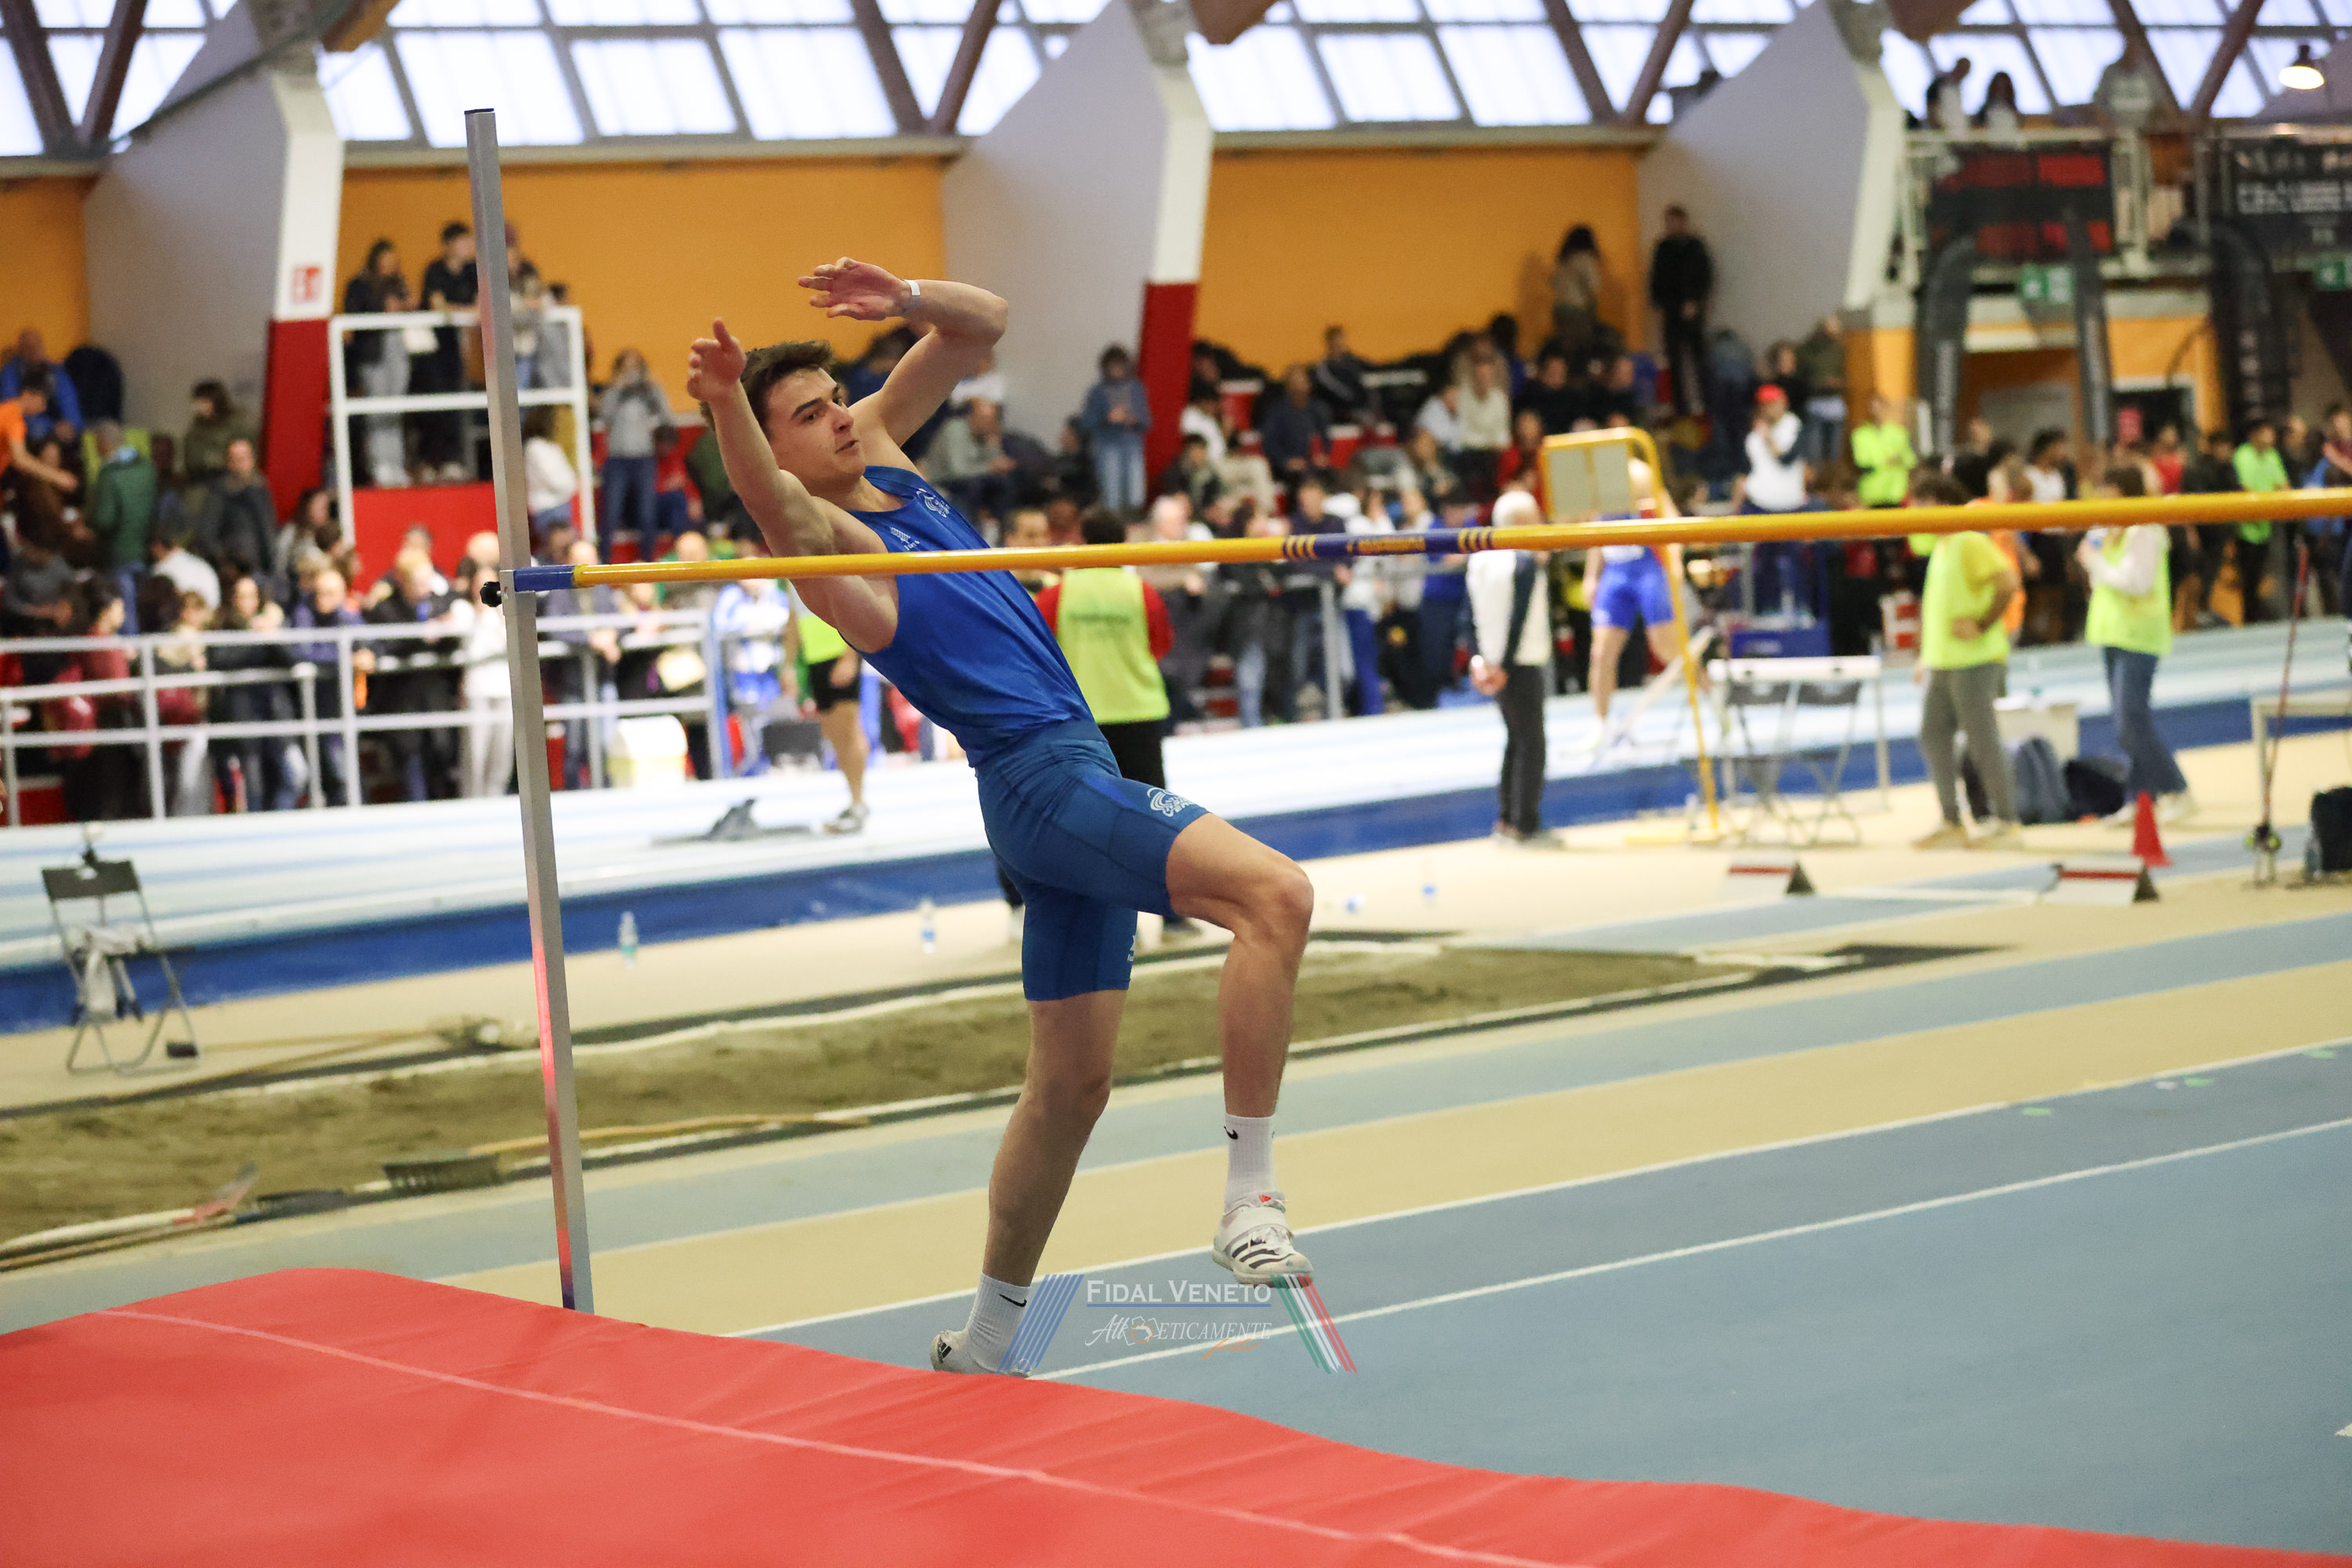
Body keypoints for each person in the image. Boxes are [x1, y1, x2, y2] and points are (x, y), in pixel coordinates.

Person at [685, 258, 1316, 1377]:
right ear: (774, 448)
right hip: (1041, 781)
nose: (839, 418)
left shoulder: (883, 446)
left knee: (1070, 1088)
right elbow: (768, 498)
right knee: (1277, 896)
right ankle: (1248, 1198)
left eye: (836, 399)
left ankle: (986, 1339)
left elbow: (986, 326)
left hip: (1062, 781)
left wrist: (904, 298)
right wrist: (731, 399)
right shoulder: (833, 553)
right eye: (810, 415)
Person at [1033, 510, 1200, 936]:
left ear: (1081, 540)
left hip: (1083, 722)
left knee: (1090, 823)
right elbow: (1160, 644)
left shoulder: (1058, 594)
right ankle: (1172, 917)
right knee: (1155, 819)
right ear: (1123, 541)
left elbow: (1041, 649)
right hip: (1138, 712)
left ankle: (1106, 925)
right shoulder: (1141, 591)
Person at [1907, 472, 2022, 851]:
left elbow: (2007, 582)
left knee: (1982, 740)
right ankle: (1951, 820)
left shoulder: (1969, 540)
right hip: (1944, 661)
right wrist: (1926, 657)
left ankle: (2007, 820)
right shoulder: (1943, 545)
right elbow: (1939, 608)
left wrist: (1982, 623)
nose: (1914, 512)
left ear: (1940, 503)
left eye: (1921, 503)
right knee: (1933, 733)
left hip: (1974, 661)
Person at [2078, 466, 2193, 826]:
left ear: (2119, 490)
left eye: (2106, 490)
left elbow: (2137, 583)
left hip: (2139, 636)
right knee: (2126, 723)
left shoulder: (2145, 530)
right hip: (2113, 633)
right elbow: (2097, 576)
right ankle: (2140, 797)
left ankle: (2176, 788)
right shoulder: (2110, 529)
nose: (2100, 498)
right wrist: (2095, 559)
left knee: (2132, 723)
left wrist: (2095, 562)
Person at [1468, 488, 1558, 845]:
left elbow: (1470, 615)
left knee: (1516, 740)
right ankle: (1525, 824)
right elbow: (1517, 617)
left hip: (1493, 662)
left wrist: (1479, 660)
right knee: (1531, 743)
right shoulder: (1523, 564)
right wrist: (1504, 664)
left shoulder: (1481, 561)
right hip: (1518, 662)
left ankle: (1508, 818)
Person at [1583, 459, 1689, 739]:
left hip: (1649, 569)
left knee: (1666, 647)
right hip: (1616, 573)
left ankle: (1710, 693)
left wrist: (1675, 566)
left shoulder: (1639, 473)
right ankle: (1600, 722)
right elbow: (1597, 530)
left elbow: (1670, 521)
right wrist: (1592, 576)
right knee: (1601, 652)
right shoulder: (1598, 477)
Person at [210, 574, 304, 811]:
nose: (247, 602)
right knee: (255, 788)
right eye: (241, 596)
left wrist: (272, 637)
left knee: (295, 774)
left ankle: (280, 820)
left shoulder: (271, 626)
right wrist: (254, 638)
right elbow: (220, 660)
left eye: (252, 596)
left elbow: (293, 660)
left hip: (276, 712)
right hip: (245, 717)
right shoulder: (224, 627)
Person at [289, 566, 373, 806]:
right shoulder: (304, 612)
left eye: (330, 594)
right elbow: (304, 651)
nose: (322, 599)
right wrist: (346, 658)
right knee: (331, 769)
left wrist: (368, 654)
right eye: (320, 593)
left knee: (345, 766)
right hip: (312, 707)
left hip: (341, 704)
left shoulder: (345, 614)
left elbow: (370, 641)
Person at [790, 591, 869, 833]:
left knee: (848, 730)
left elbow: (853, 606)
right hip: (815, 658)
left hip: (839, 653)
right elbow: (794, 617)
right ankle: (854, 801)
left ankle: (859, 802)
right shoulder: (791, 578)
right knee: (835, 734)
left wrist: (850, 656)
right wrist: (788, 663)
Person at [343, 239, 414, 488]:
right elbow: (354, 313)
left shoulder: (398, 283)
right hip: (373, 352)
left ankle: (395, 462)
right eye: (385, 261)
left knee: (395, 409)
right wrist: (382, 308)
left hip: (397, 348)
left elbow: (411, 304)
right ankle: (379, 463)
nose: (389, 266)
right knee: (378, 408)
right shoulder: (359, 285)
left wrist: (405, 305)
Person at [418, 223, 479, 481]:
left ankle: (452, 460)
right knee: (434, 404)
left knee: (456, 403)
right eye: (463, 242)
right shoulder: (435, 271)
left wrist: (458, 311)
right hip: (432, 350)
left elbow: (480, 306)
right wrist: (464, 312)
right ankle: (430, 461)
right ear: (449, 245)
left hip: (458, 350)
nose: (468, 247)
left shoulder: (472, 271)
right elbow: (437, 306)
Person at [600, 348, 673, 560]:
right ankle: (604, 561)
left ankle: (647, 560)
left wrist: (653, 390)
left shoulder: (649, 391)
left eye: (635, 368)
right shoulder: (614, 391)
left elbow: (667, 417)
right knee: (611, 513)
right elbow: (604, 414)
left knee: (646, 513)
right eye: (626, 368)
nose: (631, 373)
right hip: (617, 459)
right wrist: (617, 387)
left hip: (644, 459)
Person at [85, 420, 155, 620]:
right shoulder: (146, 467)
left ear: (105, 444)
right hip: (144, 548)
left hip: (118, 551)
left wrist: (88, 521)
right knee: (141, 607)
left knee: (124, 612)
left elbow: (105, 519)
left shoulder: (110, 474)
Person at [1648, 205, 1714, 416]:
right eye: (1668, 222)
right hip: (1671, 310)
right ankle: (1680, 408)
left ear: (1683, 222)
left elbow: (1704, 276)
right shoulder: (1663, 247)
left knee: (1698, 359)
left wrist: (1695, 300)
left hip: (1691, 310)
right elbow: (1656, 277)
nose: (1671, 226)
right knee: (1674, 359)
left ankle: (1706, 403)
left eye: (1674, 221)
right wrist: (1657, 302)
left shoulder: (1695, 246)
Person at [194, 437, 278, 584]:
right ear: (229, 463)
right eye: (237, 459)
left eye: (245, 458)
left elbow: (267, 529)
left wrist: (271, 563)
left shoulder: (260, 489)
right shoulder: (220, 492)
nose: (242, 464)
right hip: (231, 571)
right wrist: (226, 562)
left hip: (259, 570)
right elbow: (207, 534)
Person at [1079, 345, 1151, 513]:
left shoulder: (1136, 389)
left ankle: (1132, 519)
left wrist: (1131, 418)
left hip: (1133, 446)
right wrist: (1107, 418)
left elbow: (1147, 422)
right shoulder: (1097, 392)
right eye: (1112, 366)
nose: (1116, 370)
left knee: (1136, 494)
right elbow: (1086, 423)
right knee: (1112, 495)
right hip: (1107, 446)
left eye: (1120, 365)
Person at [1256, 364, 1327, 480]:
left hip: (1315, 465)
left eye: (1302, 383)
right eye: (1294, 384)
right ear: (1287, 386)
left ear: (1309, 385)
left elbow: (1325, 437)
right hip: (1287, 467)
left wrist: (1323, 455)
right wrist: (1286, 461)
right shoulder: (1276, 412)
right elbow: (1269, 442)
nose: (1299, 388)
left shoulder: (1319, 409)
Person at [182, 381, 253, 488]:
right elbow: (191, 454)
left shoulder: (235, 422)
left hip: (230, 479)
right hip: (200, 478)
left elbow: (240, 453)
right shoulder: (197, 425)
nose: (199, 406)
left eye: (204, 402)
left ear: (214, 401)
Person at [524, 407, 579, 541]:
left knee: (569, 546)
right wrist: (570, 486)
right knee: (559, 548)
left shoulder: (552, 447)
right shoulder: (535, 447)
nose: (557, 425)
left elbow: (568, 475)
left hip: (561, 505)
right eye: (555, 421)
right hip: (547, 509)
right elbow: (555, 481)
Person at [1551, 226, 1605, 364]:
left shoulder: (1563, 260)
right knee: (1581, 350)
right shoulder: (1585, 259)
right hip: (1578, 310)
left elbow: (1553, 282)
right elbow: (1593, 286)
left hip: (1559, 310)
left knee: (1566, 349)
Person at [1851, 393, 1915, 507]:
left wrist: (1899, 459)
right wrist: (1886, 461)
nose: (1876, 412)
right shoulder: (1860, 434)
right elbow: (1861, 461)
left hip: (1896, 492)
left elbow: (1910, 460)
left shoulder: (1899, 432)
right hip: (1872, 492)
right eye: (1872, 408)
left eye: (1879, 407)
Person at [1312, 326, 1373, 422]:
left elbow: (1371, 370)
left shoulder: (1353, 361)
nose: (1340, 344)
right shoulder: (1324, 368)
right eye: (1337, 341)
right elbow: (1336, 390)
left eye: (1342, 340)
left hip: (1361, 407)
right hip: (1339, 411)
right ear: (1329, 343)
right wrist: (1355, 402)